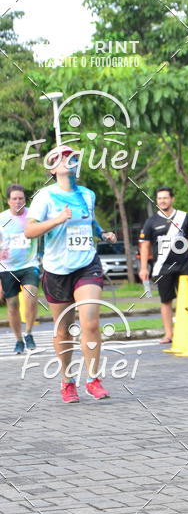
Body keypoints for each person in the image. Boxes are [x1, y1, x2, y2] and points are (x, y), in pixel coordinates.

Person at [25, 146, 116, 403]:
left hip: (87, 264)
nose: (69, 161)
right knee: (63, 330)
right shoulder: (45, 197)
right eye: (62, 158)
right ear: (53, 168)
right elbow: (30, 231)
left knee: (90, 321)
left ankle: (93, 379)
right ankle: (67, 381)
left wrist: (102, 234)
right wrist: (57, 220)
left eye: (73, 157)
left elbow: (91, 221)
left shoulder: (88, 194)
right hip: (56, 269)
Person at [138, 188, 188, 344]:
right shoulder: (151, 221)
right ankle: (169, 334)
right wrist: (144, 267)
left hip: (185, 265)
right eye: (159, 198)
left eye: (165, 198)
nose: (162, 201)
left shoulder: (183, 217)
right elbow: (145, 246)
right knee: (166, 301)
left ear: (172, 199)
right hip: (162, 267)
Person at [0, 184, 40, 353]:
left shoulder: (32, 216)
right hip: (7, 268)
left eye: (21, 199)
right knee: (12, 305)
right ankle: (18, 340)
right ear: (8, 201)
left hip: (29, 265)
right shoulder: (2, 219)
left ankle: (29, 333)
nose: (18, 202)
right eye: (15, 199)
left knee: (30, 294)